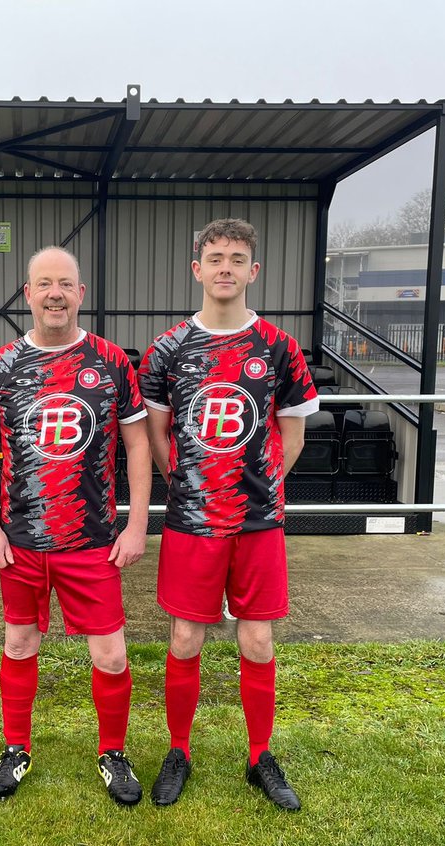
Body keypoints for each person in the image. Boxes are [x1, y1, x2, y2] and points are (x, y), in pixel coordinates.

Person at [138, 218, 318, 810]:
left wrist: (256, 487)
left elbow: (290, 435)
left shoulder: (279, 347)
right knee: (187, 635)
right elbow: (158, 435)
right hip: (192, 521)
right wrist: (190, 486)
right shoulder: (169, 349)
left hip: (258, 521)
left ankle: (260, 755)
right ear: (197, 269)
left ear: (252, 271)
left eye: (236, 259)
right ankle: (179, 751)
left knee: (259, 639)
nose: (225, 268)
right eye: (214, 257)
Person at [0, 247, 152, 806]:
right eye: (44, 284)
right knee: (20, 643)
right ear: (27, 294)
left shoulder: (112, 361)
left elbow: (139, 445)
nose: (54, 294)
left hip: (92, 541)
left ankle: (113, 753)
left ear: (80, 293)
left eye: (65, 284)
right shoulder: (1, 365)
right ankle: (16, 749)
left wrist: (137, 524)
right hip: (21, 541)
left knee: (111, 655)